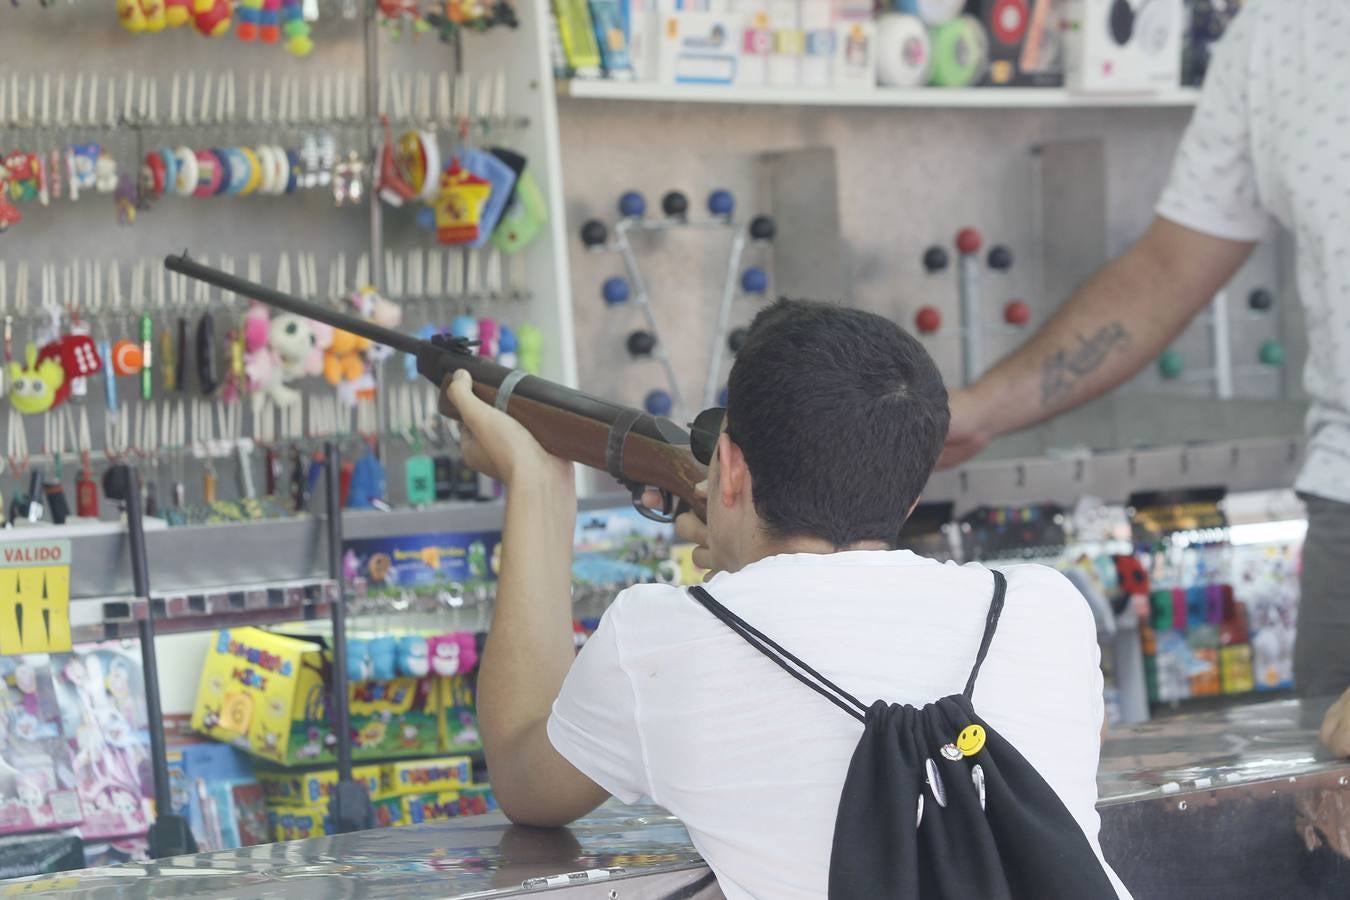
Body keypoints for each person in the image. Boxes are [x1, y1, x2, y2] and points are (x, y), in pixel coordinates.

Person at [444, 298, 1130, 899]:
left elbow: (523, 776)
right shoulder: (1046, 606)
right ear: (912, 489)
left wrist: (536, 484)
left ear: (731, 469)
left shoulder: (660, 635)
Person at [939, 1, 1350, 751]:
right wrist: (978, 410)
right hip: (1344, 503)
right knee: (1322, 835)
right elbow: (1167, 269)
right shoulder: (1277, 32)